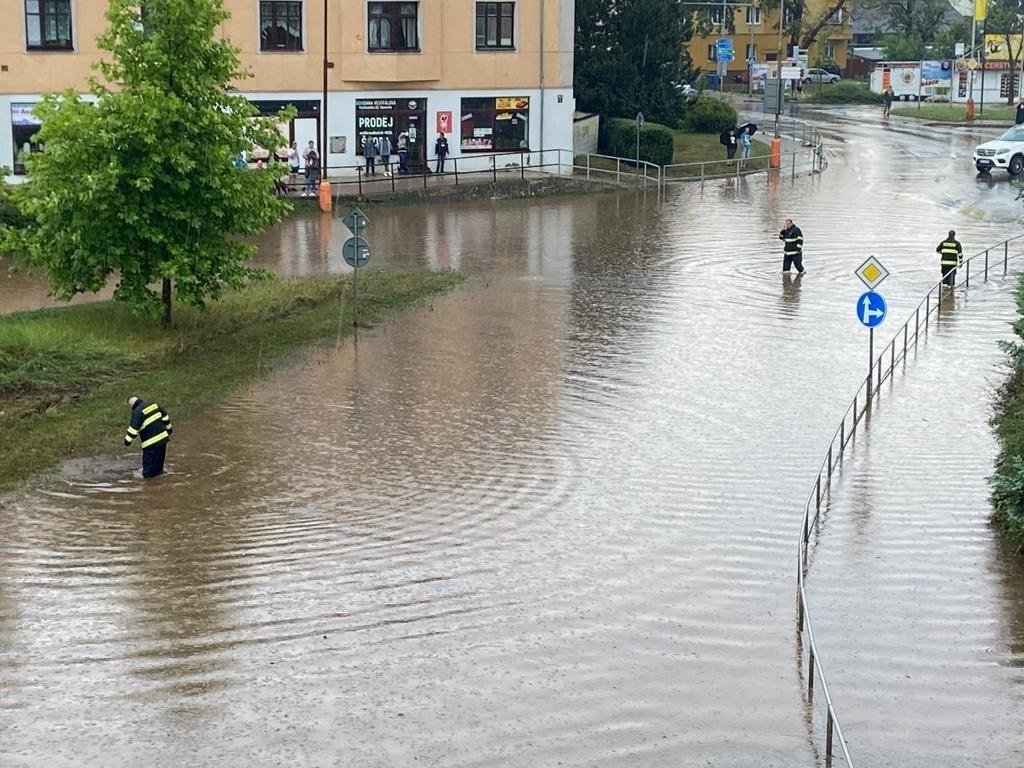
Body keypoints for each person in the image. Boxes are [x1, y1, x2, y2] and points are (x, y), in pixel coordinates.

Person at [124, 396, 173, 478]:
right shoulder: (154, 405)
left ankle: (150, 485)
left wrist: (127, 442)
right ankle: (160, 480)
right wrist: (169, 430)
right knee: (159, 466)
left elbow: (133, 430)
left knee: (148, 472)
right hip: (163, 440)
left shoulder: (137, 412)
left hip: (151, 444)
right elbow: (165, 418)